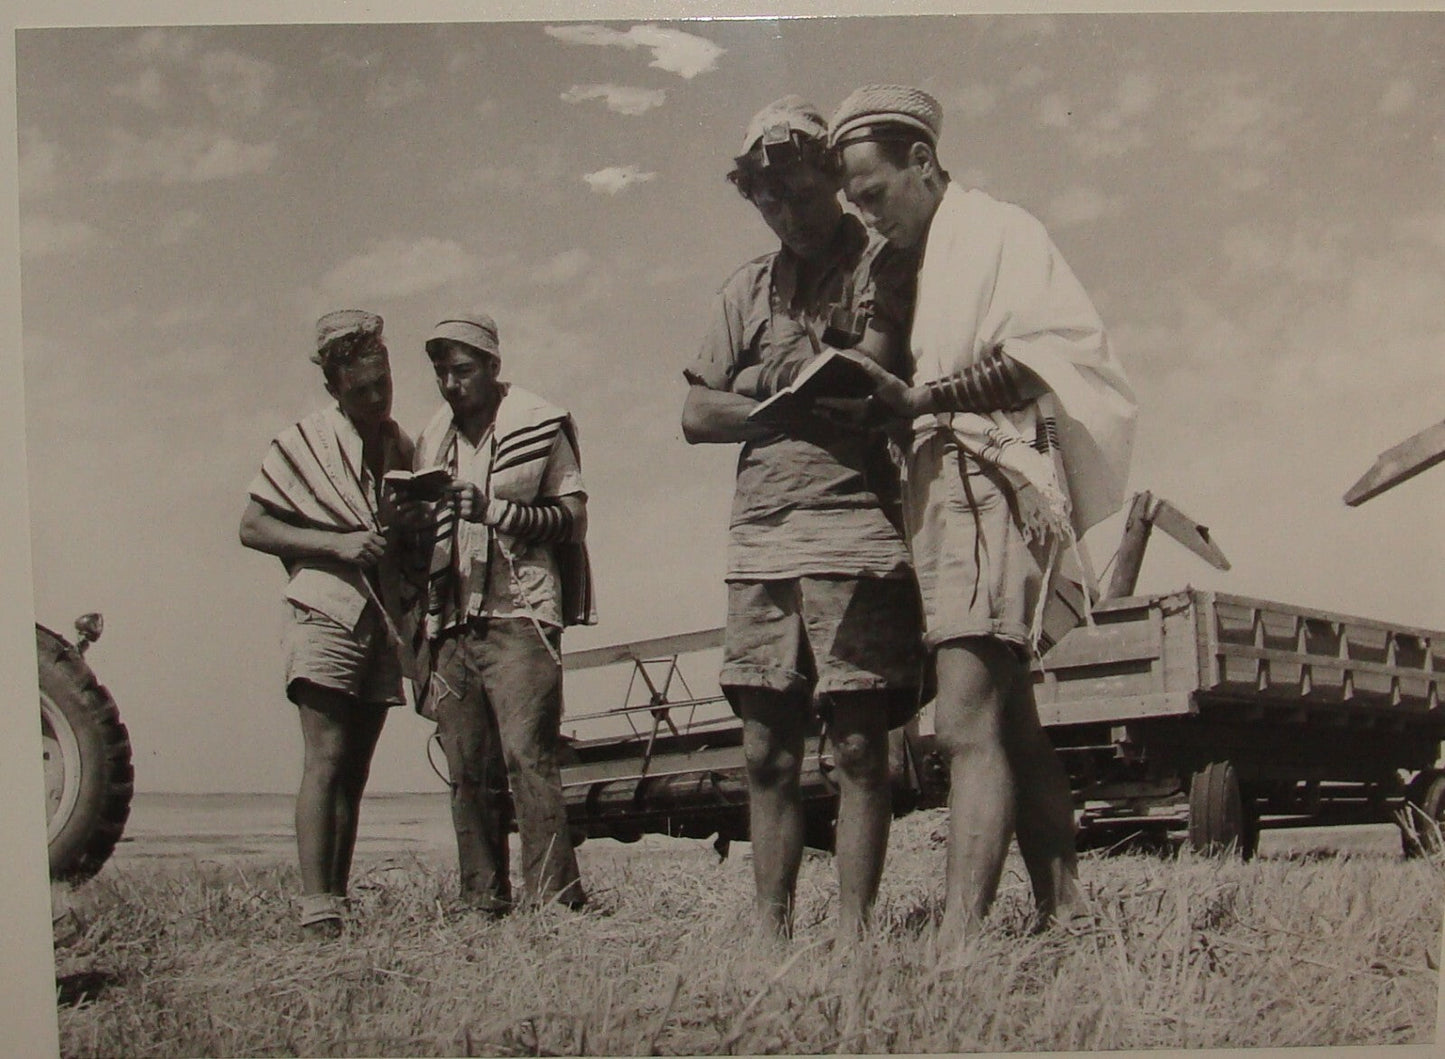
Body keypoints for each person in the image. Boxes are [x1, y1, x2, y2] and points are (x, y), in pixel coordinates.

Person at [828, 85, 1138, 943]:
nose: (863, 212)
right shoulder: (900, 266)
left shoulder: (1001, 232)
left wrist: (921, 395)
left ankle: (960, 940)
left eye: (873, 191)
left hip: (989, 479)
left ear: (921, 162)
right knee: (1010, 718)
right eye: (851, 202)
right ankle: (1064, 904)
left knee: (962, 718)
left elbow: (1041, 359)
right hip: (935, 484)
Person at [681, 96, 924, 941]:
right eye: (764, 197)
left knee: (859, 744)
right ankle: (770, 935)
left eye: (795, 189)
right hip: (760, 539)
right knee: (763, 749)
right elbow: (692, 412)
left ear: (831, 175)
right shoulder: (745, 286)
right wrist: (770, 401)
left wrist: (760, 393)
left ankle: (855, 934)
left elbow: (878, 369)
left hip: (856, 526)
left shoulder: (879, 262)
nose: (782, 210)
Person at [406, 311, 596, 914]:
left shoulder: (539, 421)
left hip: (522, 615)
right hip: (452, 619)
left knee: (529, 760)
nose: (450, 383)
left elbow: (573, 518)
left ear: (493, 365)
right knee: (466, 768)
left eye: (462, 370)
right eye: (441, 372)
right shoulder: (433, 434)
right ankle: (482, 902)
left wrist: (497, 513)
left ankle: (556, 903)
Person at [240, 309, 415, 938]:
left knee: (358, 769)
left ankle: (336, 899)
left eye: (384, 383)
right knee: (327, 757)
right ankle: (317, 909)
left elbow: (400, 537)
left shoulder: (400, 444)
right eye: (361, 388)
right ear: (334, 387)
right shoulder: (303, 439)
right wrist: (337, 545)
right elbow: (253, 526)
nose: (375, 397)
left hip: (381, 615)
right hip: (324, 608)